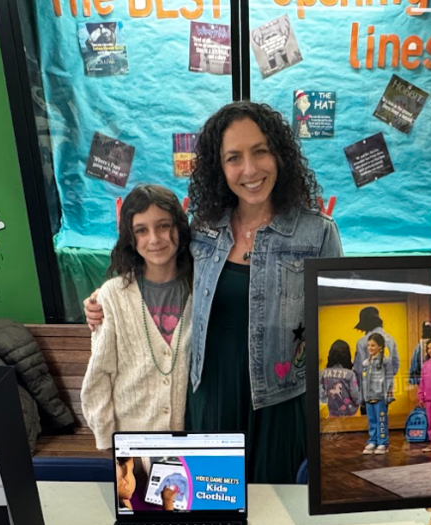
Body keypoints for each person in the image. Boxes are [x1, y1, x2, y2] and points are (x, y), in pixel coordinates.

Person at [88, 102, 342, 483]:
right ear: (219, 168)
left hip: (282, 400)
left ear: (280, 154)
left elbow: (333, 318)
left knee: (278, 509)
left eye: (260, 151)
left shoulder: (318, 233)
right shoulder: (205, 229)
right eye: (234, 158)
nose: (250, 169)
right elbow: (157, 264)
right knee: (216, 506)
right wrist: (102, 299)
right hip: (211, 394)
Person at [80, 184, 193, 450]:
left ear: (179, 226)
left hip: (193, 439)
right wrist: (109, 441)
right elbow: (99, 376)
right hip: (133, 441)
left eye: (164, 226)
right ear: (130, 237)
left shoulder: (202, 289)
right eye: (141, 230)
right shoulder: (112, 296)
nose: (154, 239)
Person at [361, 332, 393, 454]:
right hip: (369, 397)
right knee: (372, 420)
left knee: (381, 420)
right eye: (368, 345)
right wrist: (363, 396)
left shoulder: (385, 361)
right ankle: (373, 440)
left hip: (380, 397)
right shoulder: (365, 363)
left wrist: (388, 395)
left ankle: (383, 442)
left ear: (380, 346)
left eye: (373, 345)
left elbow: (389, 378)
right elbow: (363, 380)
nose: (370, 348)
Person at [353, 307, 399, 386]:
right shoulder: (391, 339)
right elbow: (395, 364)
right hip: (386, 387)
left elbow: (359, 369)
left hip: (368, 389)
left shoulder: (362, 342)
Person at [319, 340, 361, 418]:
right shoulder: (350, 374)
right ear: (347, 356)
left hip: (332, 411)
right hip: (350, 413)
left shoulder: (323, 373)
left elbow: (321, 394)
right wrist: (360, 402)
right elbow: (355, 394)